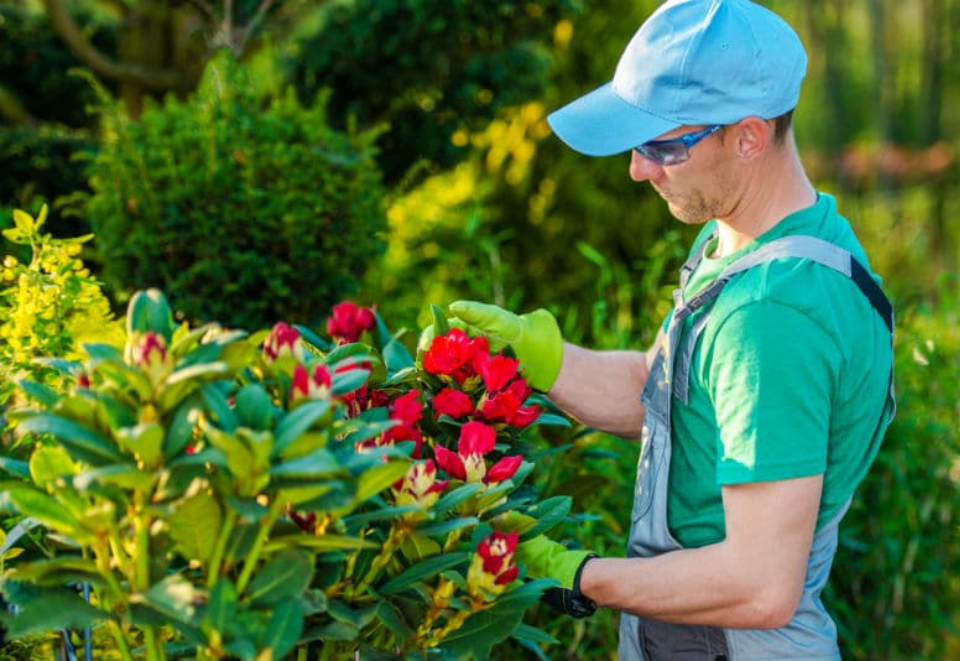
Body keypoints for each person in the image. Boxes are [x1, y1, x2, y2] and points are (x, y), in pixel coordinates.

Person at [446, 0, 897, 659]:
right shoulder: (756, 237)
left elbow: (758, 582)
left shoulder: (772, 315)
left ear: (748, 137)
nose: (637, 168)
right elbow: (667, 396)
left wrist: (578, 575)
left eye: (664, 145)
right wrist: (535, 354)